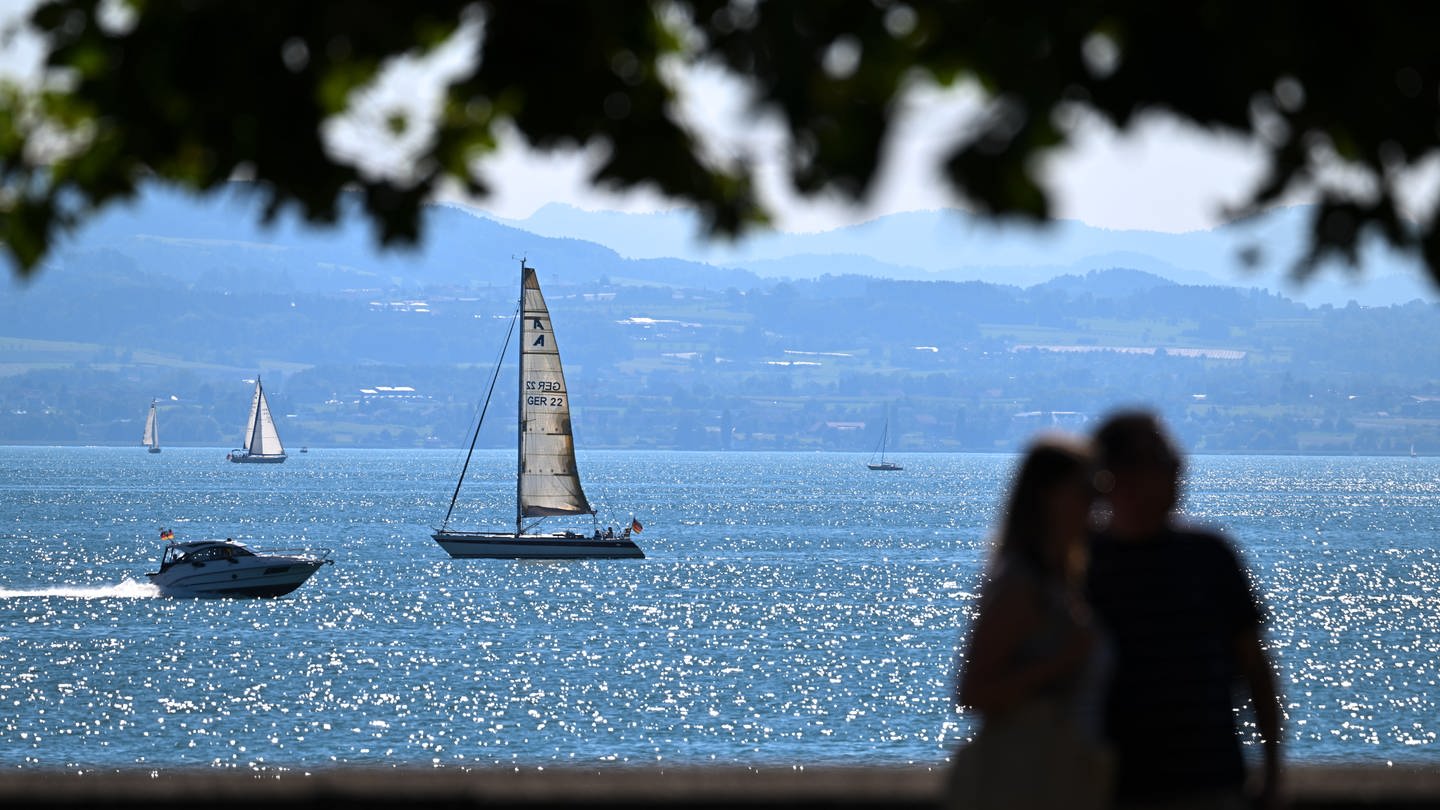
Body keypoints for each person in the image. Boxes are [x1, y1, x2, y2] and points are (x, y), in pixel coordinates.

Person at [1087, 411, 1281, 809]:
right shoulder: (1080, 567)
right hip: (1107, 786)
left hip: (1209, 782)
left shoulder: (1211, 556)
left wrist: (1273, 771)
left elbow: (1256, 670)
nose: (1177, 473)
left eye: (1173, 463)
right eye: (1159, 463)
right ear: (1111, 476)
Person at [951, 434, 1112, 809]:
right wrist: (1060, 662)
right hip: (1026, 781)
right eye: (1088, 490)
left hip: (1064, 776)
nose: (1098, 504)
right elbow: (972, 692)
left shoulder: (1064, 581)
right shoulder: (1021, 586)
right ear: (1048, 495)